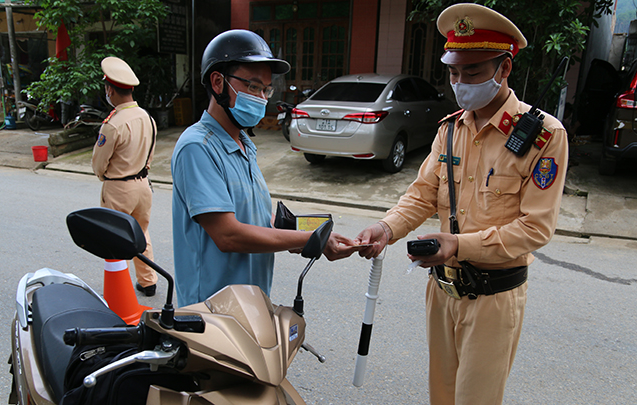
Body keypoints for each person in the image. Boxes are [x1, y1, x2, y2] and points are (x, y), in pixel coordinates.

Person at [354, 4, 568, 404]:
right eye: (453, 72)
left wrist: (459, 245)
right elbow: (422, 195)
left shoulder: (543, 136)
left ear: (503, 69)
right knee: (443, 396)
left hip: (493, 298)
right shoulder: (450, 129)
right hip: (442, 292)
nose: (460, 82)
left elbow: (536, 228)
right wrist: (386, 228)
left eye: (472, 72)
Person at [171, 30, 357, 307]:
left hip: (251, 302)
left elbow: (258, 219)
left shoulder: (243, 143)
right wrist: (310, 239)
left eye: (266, 90)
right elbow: (228, 234)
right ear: (218, 82)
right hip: (211, 310)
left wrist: (317, 234)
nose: (261, 98)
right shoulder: (198, 147)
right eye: (253, 87)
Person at [92, 56, 158, 297]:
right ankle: (148, 281)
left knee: (114, 238)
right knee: (142, 232)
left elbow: (99, 165)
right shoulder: (148, 118)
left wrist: (104, 177)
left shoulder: (112, 124)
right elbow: (150, 155)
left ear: (110, 89)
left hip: (119, 187)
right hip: (143, 185)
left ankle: (118, 290)